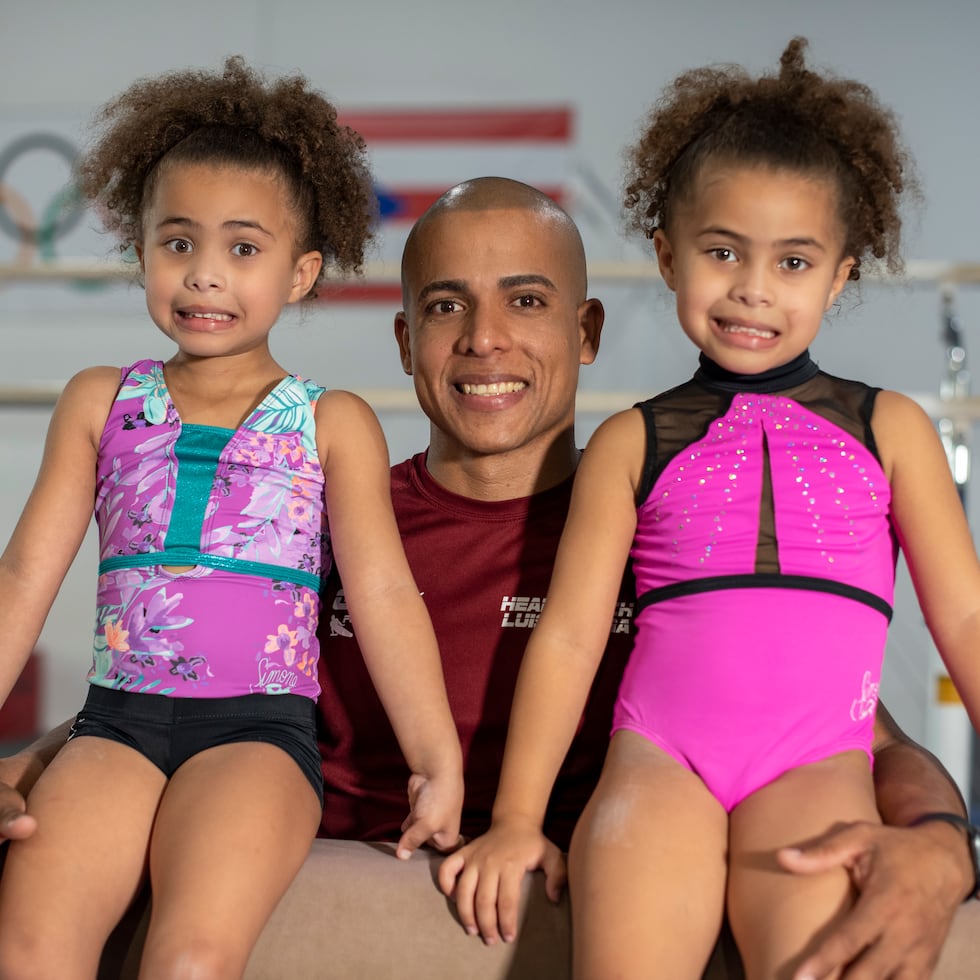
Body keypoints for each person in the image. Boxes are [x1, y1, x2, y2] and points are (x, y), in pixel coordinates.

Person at [2, 177, 979, 980]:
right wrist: (35, 765)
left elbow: (843, 733)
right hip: (336, 907)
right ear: (403, 344)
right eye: (443, 306)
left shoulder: (666, 518)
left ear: (586, 330)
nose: (483, 338)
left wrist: (941, 841)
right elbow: (180, 671)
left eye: (525, 300)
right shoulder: (319, 515)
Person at [439, 44, 980, 980]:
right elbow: (567, 639)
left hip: (816, 767)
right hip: (657, 763)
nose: (753, 289)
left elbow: (965, 615)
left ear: (841, 276)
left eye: (794, 261)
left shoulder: (889, 427)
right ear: (667, 253)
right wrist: (518, 820)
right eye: (722, 251)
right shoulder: (632, 441)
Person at [0, 58, 462, 979]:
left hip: (257, 736)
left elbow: (380, 595)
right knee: (29, 950)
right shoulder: (102, 401)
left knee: (190, 961)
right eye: (178, 243)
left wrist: (435, 756)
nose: (205, 274)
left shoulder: (333, 423)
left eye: (243, 249)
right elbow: (21, 577)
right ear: (141, 249)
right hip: (114, 728)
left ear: (301, 273)